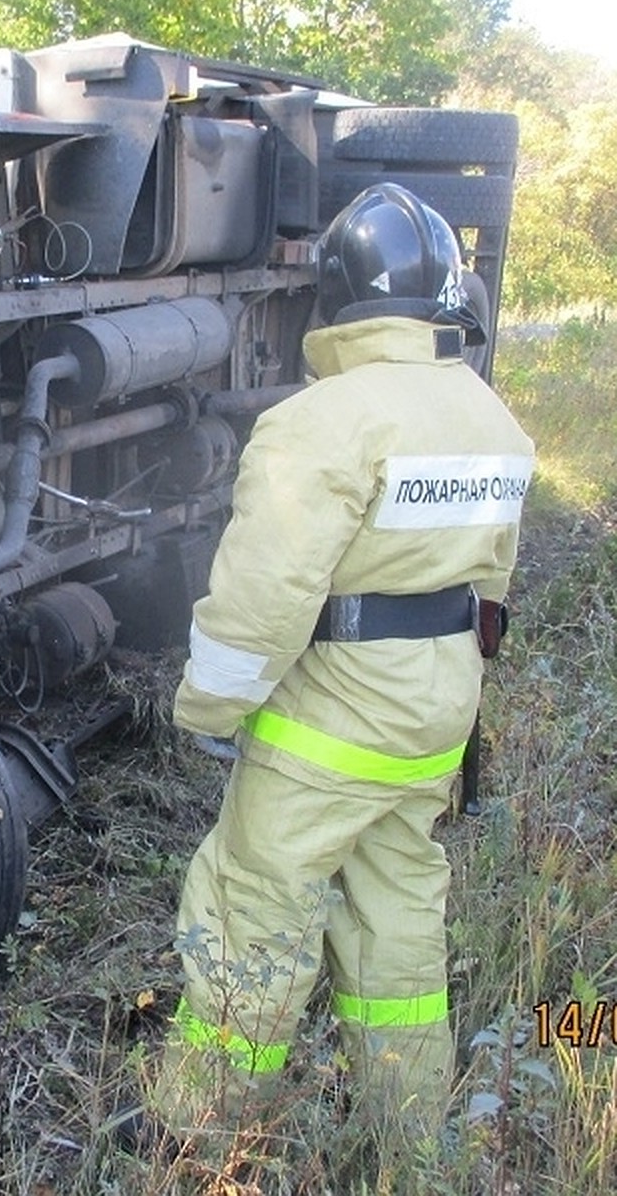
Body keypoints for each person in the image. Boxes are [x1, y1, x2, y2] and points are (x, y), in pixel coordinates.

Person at [156, 183, 535, 1140]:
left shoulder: (321, 422)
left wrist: (204, 709)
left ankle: (204, 1138)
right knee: (398, 920)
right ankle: (409, 1134)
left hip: (325, 737)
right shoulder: (491, 419)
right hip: (430, 731)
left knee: (254, 914)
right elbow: (492, 590)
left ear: (338, 299)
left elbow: (262, 604)